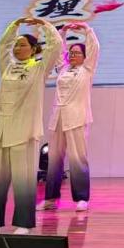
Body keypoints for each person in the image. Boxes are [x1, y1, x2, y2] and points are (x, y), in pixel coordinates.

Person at [0, 16, 62, 234]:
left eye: (23, 45)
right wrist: (14, 26)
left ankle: (24, 223)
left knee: (23, 179)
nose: (17, 48)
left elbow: (55, 46)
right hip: (0, 130)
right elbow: (3, 46)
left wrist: (44, 25)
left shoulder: (39, 68)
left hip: (24, 131)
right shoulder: (7, 67)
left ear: (34, 50)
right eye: (16, 45)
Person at [39, 22, 100, 212]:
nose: (72, 55)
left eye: (77, 53)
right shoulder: (63, 69)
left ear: (84, 56)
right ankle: (50, 199)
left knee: (77, 159)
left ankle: (81, 198)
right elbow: (58, 50)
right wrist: (62, 32)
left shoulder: (87, 69)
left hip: (77, 119)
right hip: (58, 118)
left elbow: (94, 48)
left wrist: (86, 29)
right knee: (54, 160)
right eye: (71, 52)